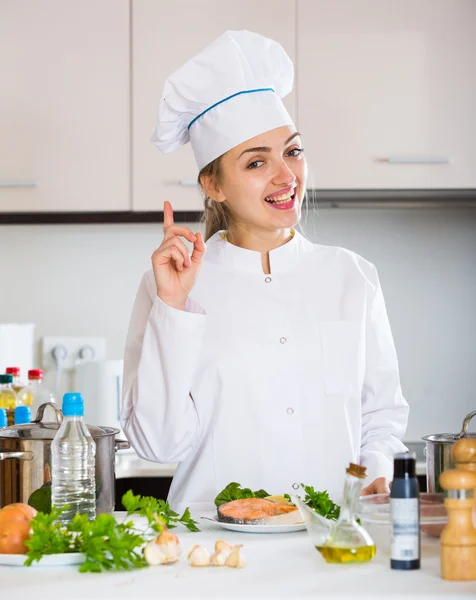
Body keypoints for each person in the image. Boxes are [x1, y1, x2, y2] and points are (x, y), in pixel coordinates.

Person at [120, 30, 409, 510]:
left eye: (292, 152)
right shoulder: (168, 286)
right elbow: (159, 444)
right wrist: (173, 309)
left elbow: (377, 420)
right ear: (213, 184)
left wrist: (370, 476)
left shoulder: (351, 277)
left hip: (329, 547)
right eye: (257, 162)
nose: (286, 176)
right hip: (213, 553)